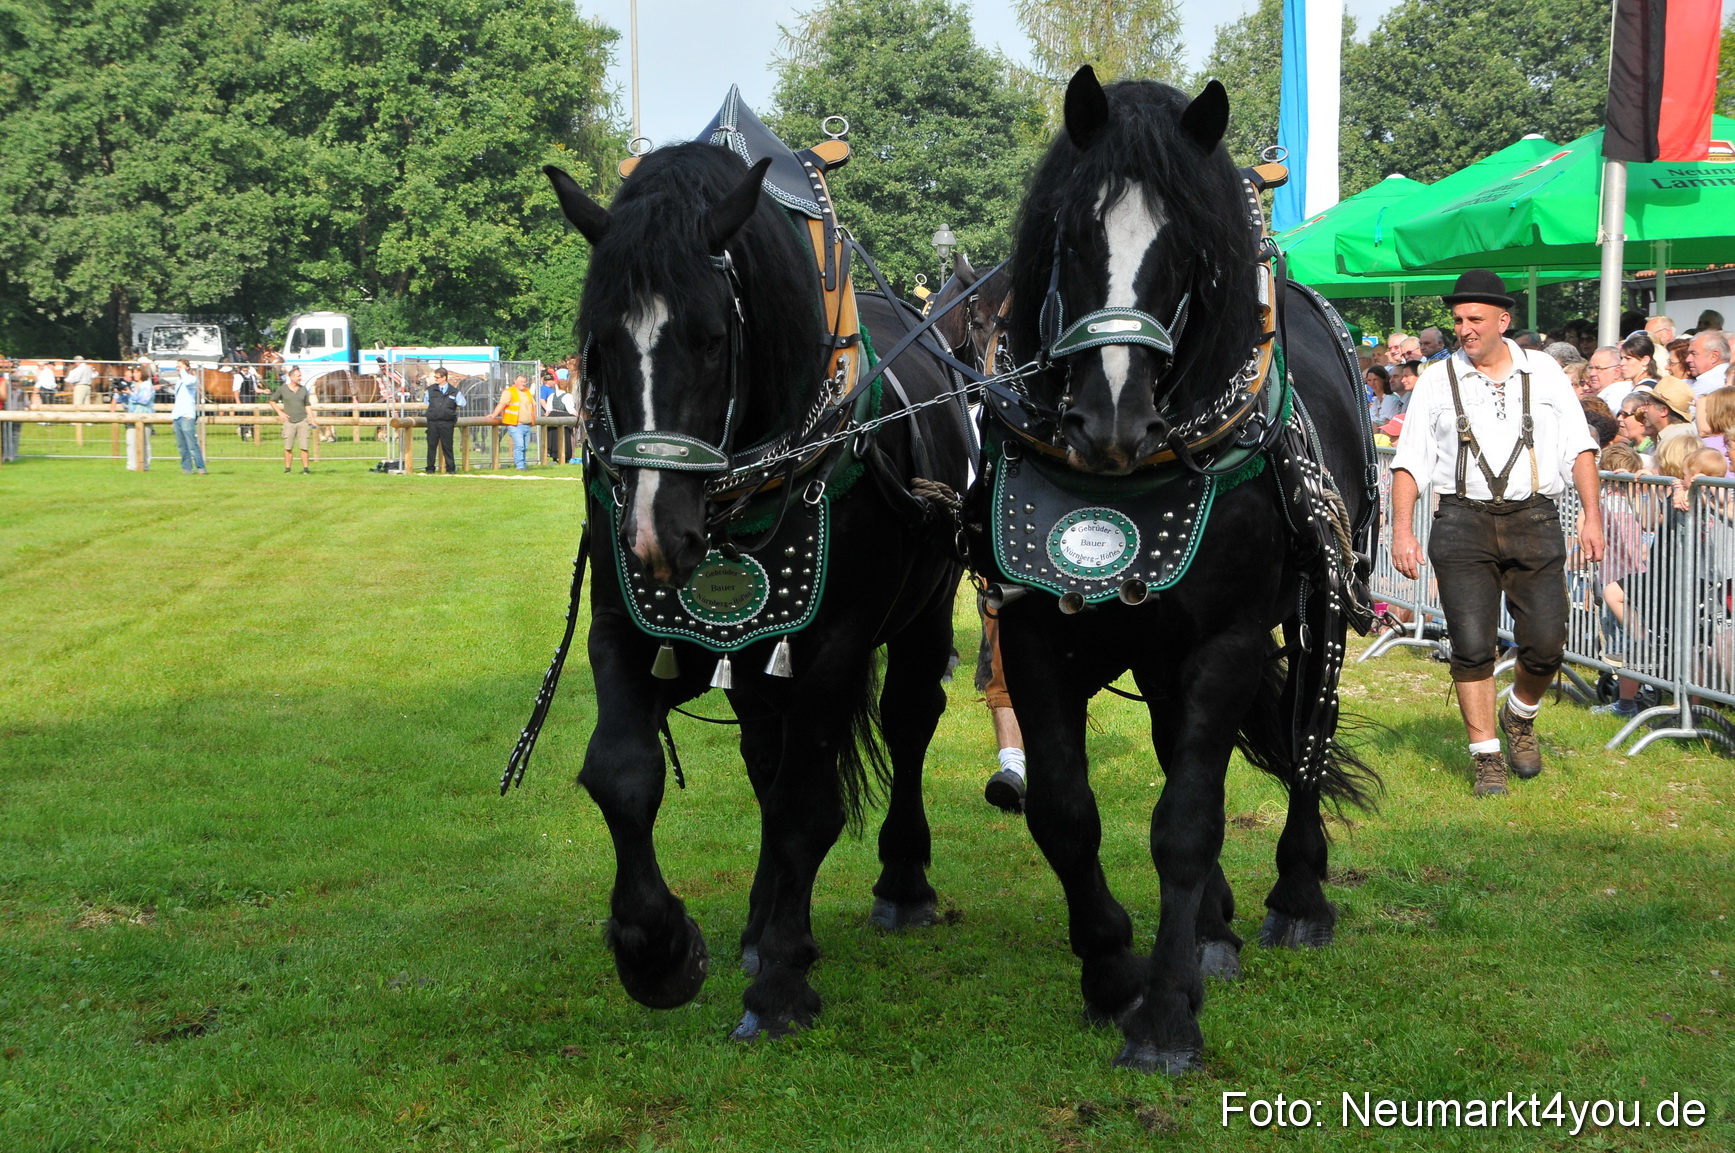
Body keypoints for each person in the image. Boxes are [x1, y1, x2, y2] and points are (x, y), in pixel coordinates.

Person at [1389, 270, 1603, 798]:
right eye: (1458, 319)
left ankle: (1520, 715)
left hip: (1534, 518)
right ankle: (1486, 758)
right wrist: (1401, 532)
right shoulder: (1438, 379)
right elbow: (1410, 461)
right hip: (1462, 522)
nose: (1464, 329)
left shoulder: (1546, 371)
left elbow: (1580, 446)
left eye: (1475, 319)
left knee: (1548, 644)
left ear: (1502, 321)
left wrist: (1593, 516)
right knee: (1470, 644)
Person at [269, 366, 316, 473]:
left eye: (300, 376)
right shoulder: (283, 389)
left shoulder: (303, 389)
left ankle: (305, 469)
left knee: (304, 446)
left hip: (302, 420)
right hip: (289, 422)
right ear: (291, 377)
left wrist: (312, 419)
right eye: (298, 376)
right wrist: (280, 413)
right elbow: (272, 401)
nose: (300, 378)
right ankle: (288, 469)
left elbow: (307, 405)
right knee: (288, 446)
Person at [488, 373, 539, 470]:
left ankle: (522, 465)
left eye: (524, 382)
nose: (523, 384)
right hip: (515, 424)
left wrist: (533, 418)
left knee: (525, 447)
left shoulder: (528, 392)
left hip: (527, 424)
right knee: (519, 445)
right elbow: (502, 404)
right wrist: (494, 415)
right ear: (515, 381)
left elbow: (534, 405)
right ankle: (520, 466)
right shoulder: (509, 392)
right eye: (521, 382)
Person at [169, 359, 207, 474]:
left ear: (186, 367)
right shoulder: (179, 381)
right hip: (178, 415)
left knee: (191, 444)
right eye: (177, 366)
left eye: (180, 366)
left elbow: (187, 382)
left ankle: (200, 467)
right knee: (181, 445)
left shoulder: (191, 379)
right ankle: (187, 467)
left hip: (187, 415)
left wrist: (184, 372)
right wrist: (174, 417)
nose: (177, 368)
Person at [1633, 378, 1696, 449]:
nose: (1644, 410)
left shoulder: (1676, 442)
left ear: (1663, 411)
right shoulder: (1673, 435)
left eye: (1648, 404)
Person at [113, 365, 155, 470]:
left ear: (143, 373)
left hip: (145, 416)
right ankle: (131, 466)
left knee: (144, 442)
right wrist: (121, 394)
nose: (135, 375)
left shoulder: (147, 385)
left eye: (137, 372)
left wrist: (131, 393)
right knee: (130, 441)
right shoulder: (132, 385)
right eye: (134, 372)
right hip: (131, 416)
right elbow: (127, 401)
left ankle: (145, 465)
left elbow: (144, 400)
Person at [423, 367, 465, 473]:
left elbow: (462, 403)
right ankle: (430, 468)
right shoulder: (431, 390)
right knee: (431, 446)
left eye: (437, 377)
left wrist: (449, 409)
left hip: (447, 423)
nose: (436, 379)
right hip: (433, 422)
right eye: (435, 377)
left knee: (447, 447)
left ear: (444, 378)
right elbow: (426, 402)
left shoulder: (454, 391)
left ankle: (450, 468)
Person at [543, 373, 577, 464]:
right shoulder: (568, 396)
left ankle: (554, 455)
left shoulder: (551, 396)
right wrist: (577, 415)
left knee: (553, 437)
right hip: (563, 417)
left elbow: (548, 409)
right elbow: (570, 409)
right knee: (564, 437)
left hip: (553, 416)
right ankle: (565, 455)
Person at [1686, 330, 1730, 397]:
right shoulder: (1728, 374)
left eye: (1694, 354)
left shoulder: (1708, 383)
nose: (1687, 359)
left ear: (1714, 356)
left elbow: (1678, 406)